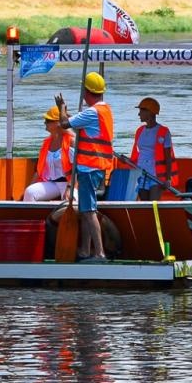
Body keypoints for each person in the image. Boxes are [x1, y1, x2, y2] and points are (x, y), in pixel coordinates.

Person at [57, 72, 114, 261]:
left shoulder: (92, 112)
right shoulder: (104, 110)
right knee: (85, 210)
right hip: (96, 167)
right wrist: (69, 114)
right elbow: (77, 123)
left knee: (89, 211)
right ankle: (84, 250)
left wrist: (61, 108)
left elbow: (64, 123)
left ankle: (99, 253)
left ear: (86, 92)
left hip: (89, 168)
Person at [130, 97, 177, 201]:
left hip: (156, 176)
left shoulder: (164, 132)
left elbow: (168, 158)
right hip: (141, 174)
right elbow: (136, 154)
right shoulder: (139, 131)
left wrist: (168, 179)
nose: (139, 114)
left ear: (150, 112)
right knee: (144, 206)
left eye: (141, 111)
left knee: (153, 205)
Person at [23, 106, 73, 202]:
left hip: (70, 183)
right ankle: (28, 212)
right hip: (52, 183)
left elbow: (77, 170)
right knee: (30, 192)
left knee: (72, 200)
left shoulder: (71, 141)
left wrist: (69, 188)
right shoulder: (46, 143)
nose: (45, 123)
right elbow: (39, 171)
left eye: (48, 120)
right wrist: (26, 191)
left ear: (58, 123)